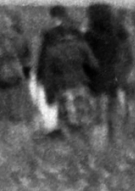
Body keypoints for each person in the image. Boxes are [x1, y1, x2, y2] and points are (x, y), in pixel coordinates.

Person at [37, 7, 99, 137]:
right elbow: (94, 65)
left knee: (67, 122)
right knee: (85, 119)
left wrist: (49, 95)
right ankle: (87, 147)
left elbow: (47, 75)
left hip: (63, 87)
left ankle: (72, 147)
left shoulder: (51, 50)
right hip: (81, 84)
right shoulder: (81, 45)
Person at [85, 3, 132, 140]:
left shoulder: (90, 36)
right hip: (112, 75)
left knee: (97, 114)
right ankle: (113, 140)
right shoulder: (113, 35)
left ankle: (98, 143)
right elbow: (119, 55)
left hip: (95, 78)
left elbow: (87, 58)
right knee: (112, 111)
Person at [0, 11, 38, 129]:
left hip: (3, 71)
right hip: (17, 72)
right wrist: (25, 74)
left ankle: (3, 126)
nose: (4, 21)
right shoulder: (23, 38)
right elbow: (27, 58)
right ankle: (16, 124)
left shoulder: (3, 37)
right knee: (16, 103)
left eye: (6, 19)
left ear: (12, 21)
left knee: (0, 102)